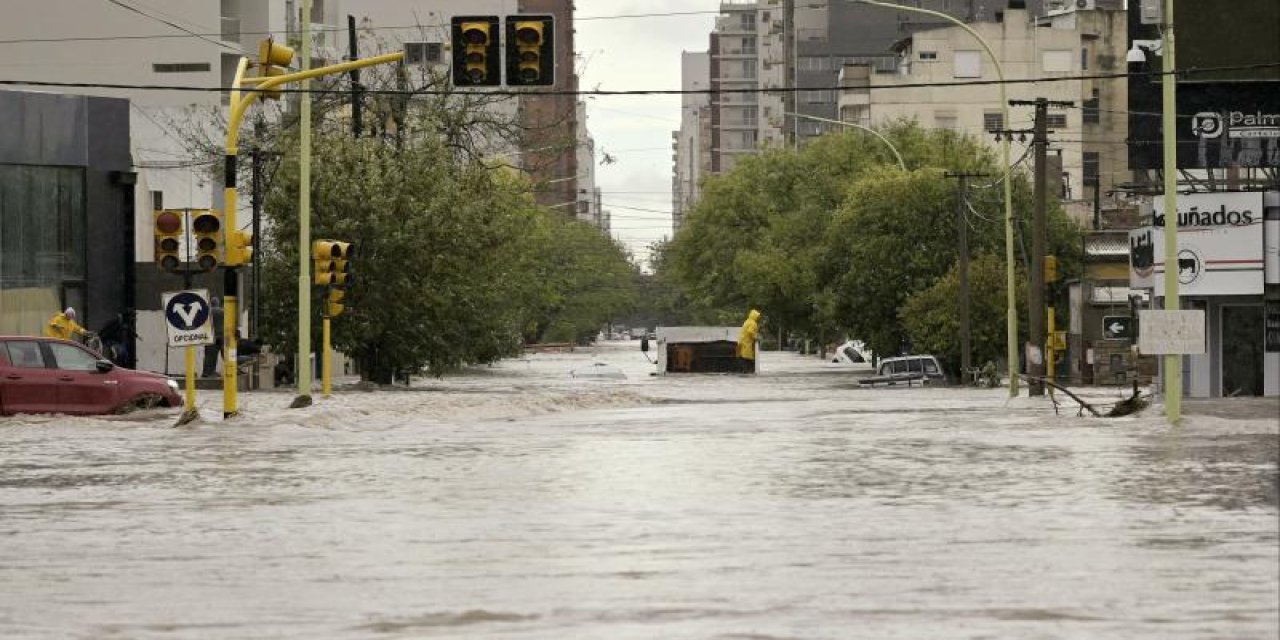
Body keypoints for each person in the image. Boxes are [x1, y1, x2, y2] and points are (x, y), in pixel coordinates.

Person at [203, 297, 225, 377]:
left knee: (209, 355)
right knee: (223, 354)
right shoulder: (223, 311)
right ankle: (230, 370)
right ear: (218, 303)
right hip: (221, 336)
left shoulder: (207, 312)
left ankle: (206, 372)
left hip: (210, 336)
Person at [737, 309, 761, 373]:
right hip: (747, 342)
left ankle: (744, 370)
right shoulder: (753, 323)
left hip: (741, 341)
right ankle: (747, 371)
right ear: (755, 316)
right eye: (757, 316)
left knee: (743, 356)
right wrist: (756, 338)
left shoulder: (747, 321)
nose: (758, 318)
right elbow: (750, 331)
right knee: (748, 357)